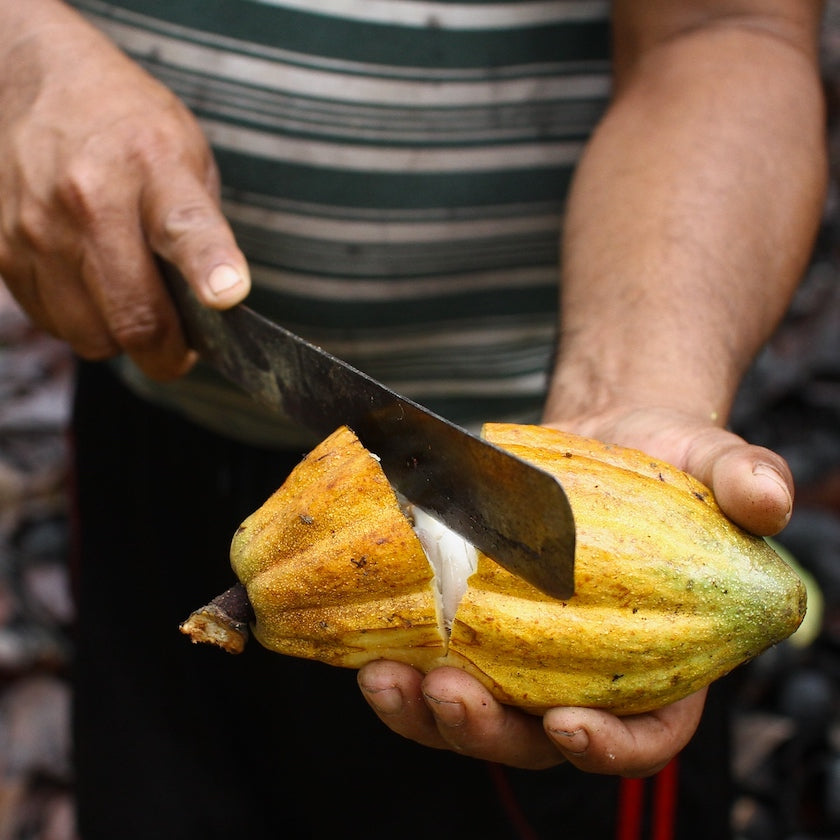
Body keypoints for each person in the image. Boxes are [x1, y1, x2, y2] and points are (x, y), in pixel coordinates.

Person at [0, 0, 827, 838]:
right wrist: (19, 50)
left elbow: (726, 30)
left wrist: (638, 379)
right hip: (153, 423)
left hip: (547, 441)